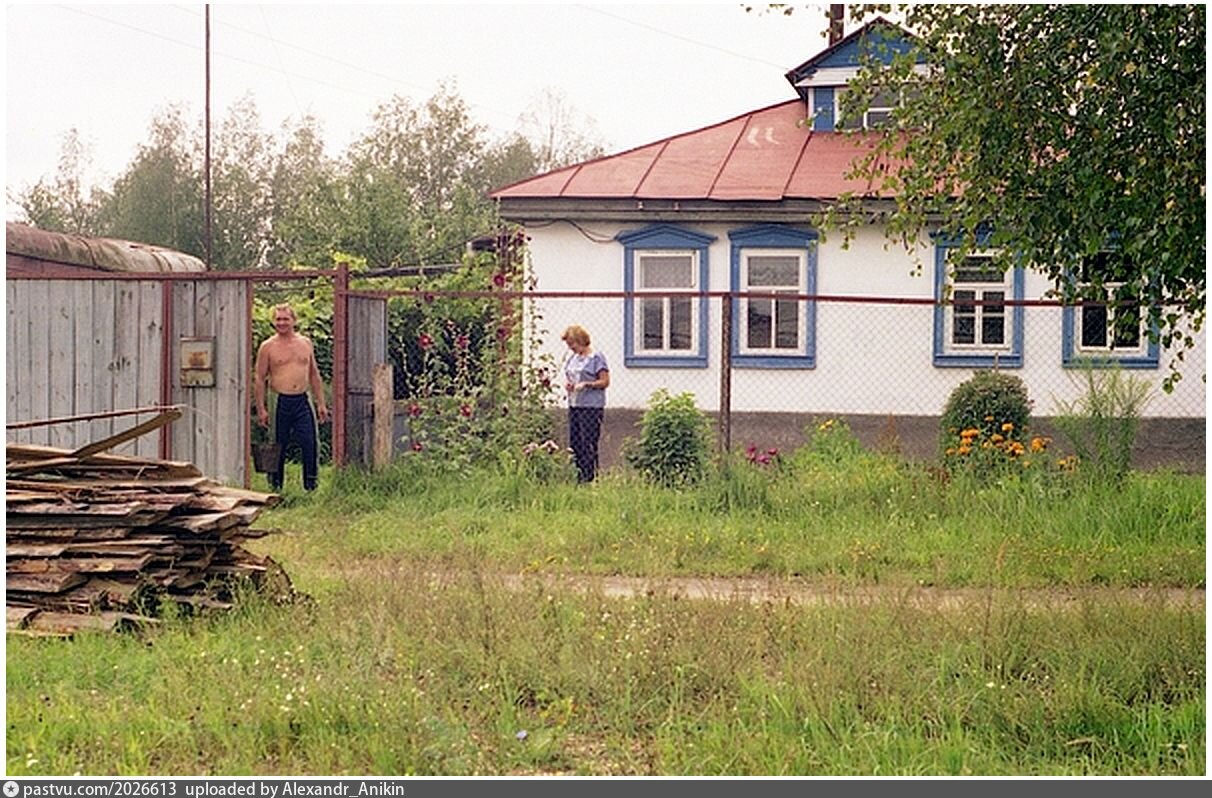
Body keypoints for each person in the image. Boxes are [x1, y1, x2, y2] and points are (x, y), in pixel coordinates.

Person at [254, 303, 330, 491]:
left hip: (303, 399)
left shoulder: (305, 343)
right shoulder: (267, 346)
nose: (281, 323)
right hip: (280, 399)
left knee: (310, 442)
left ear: (294, 321)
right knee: (277, 444)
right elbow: (259, 378)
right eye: (278, 319)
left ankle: (311, 486)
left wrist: (321, 403)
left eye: (285, 319)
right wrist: (262, 408)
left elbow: (314, 373)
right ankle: (275, 487)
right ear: (273, 322)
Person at [561, 325, 610, 483]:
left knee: (588, 441)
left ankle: (590, 478)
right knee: (575, 442)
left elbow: (605, 381)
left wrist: (588, 384)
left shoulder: (596, 357)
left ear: (580, 340)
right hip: (575, 404)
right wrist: (569, 384)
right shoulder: (573, 358)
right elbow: (570, 376)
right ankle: (578, 476)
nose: (571, 348)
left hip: (591, 406)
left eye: (572, 344)